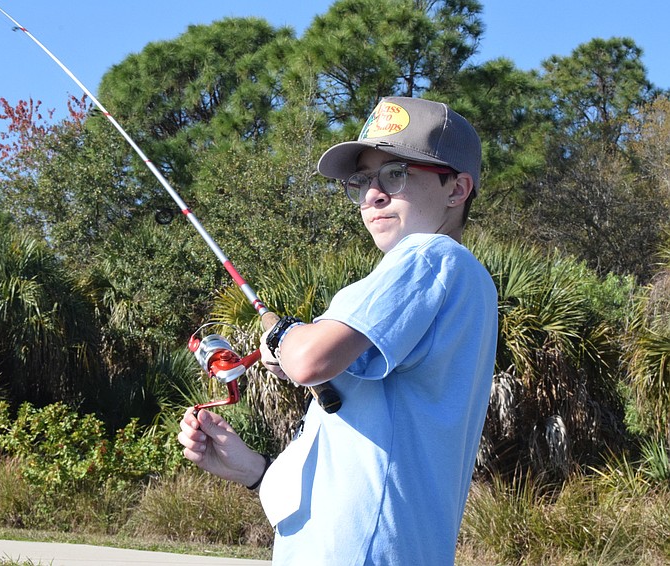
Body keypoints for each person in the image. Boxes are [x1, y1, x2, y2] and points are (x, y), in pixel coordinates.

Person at [178, 96, 498, 565]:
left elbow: (308, 361)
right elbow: (360, 463)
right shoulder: (451, 285)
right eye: (361, 180)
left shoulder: (429, 257)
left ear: (457, 188)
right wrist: (250, 469)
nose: (372, 195)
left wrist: (282, 336)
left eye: (396, 173)